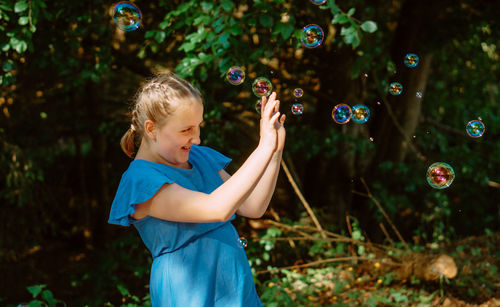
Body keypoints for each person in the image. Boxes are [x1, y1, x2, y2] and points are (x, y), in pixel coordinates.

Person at [108, 73, 286, 307]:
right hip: (188, 296)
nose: (197, 139)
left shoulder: (200, 157)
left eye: (198, 127)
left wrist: (275, 150)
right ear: (151, 129)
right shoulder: (140, 181)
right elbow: (217, 208)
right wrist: (263, 147)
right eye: (186, 130)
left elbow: (253, 206)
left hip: (235, 291)